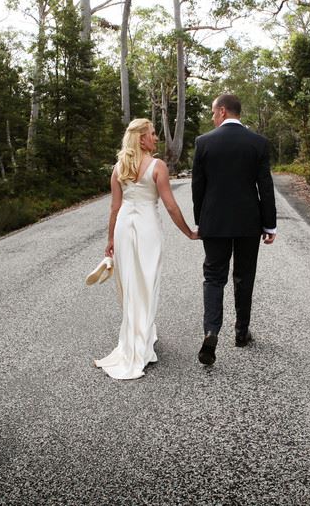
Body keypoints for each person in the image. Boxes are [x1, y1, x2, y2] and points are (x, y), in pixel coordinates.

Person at [95, 118, 198, 380]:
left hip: (123, 229)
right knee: (147, 282)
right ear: (141, 138)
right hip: (147, 228)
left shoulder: (119, 167)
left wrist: (110, 240)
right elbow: (171, 206)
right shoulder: (157, 166)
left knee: (131, 285)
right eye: (152, 134)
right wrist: (189, 232)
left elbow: (115, 208)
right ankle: (140, 341)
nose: (156, 138)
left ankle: (139, 334)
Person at [191, 94, 277, 366]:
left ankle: (211, 331)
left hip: (214, 222)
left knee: (214, 277)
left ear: (223, 111)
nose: (212, 118)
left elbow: (198, 188)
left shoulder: (204, 143)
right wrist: (269, 223)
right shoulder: (258, 143)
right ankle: (241, 332)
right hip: (248, 223)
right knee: (244, 276)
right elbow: (265, 186)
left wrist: (200, 222)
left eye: (213, 112)